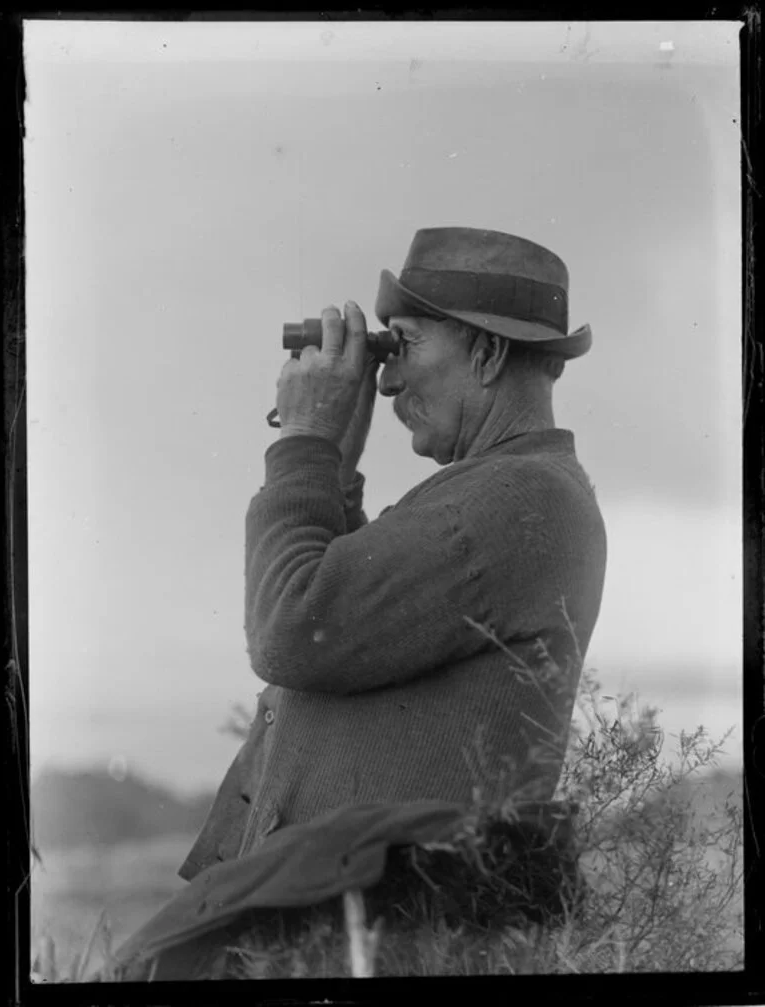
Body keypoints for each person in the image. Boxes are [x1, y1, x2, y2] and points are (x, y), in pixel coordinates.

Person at [178, 226, 607, 883]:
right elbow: (359, 621)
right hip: (351, 900)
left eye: (401, 346)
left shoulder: (517, 496)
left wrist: (303, 441)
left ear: (488, 353)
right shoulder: (514, 491)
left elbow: (294, 629)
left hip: (378, 917)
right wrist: (335, 459)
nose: (385, 381)